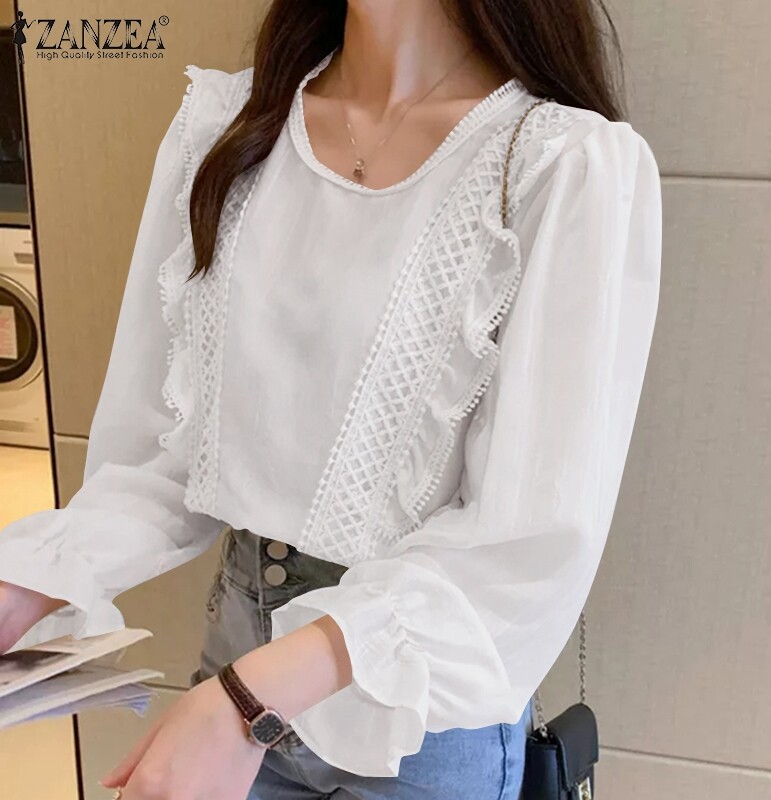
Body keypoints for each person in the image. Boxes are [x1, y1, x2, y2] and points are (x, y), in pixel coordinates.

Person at [0, 0, 662, 797]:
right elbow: (170, 454)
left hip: (413, 726)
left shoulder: (560, 163)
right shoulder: (229, 128)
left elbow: (525, 545)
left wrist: (248, 703)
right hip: (236, 666)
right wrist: (24, 581)